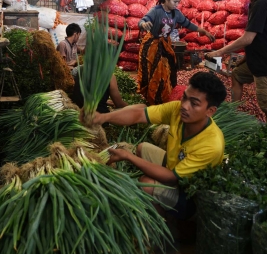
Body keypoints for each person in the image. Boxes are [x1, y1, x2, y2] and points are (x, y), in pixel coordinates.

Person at [88, 71, 227, 219]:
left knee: (146, 184)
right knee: (143, 148)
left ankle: (165, 228)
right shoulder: (176, 110)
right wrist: (103, 117)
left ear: (210, 111)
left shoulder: (211, 145)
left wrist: (129, 157)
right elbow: (139, 114)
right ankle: (158, 201)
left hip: (191, 196)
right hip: (175, 168)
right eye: (184, 97)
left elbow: (171, 178)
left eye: (194, 103)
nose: (185, 106)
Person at [206, 0, 267, 130]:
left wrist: (219, 52)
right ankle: (233, 113)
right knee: (237, 74)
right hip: (257, 59)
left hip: (266, 65)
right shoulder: (257, 3)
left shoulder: (261, 4)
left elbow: (248, 38)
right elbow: (260, 38)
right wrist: (246, 57)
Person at [138, 0, 215, 105]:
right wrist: (144, 24)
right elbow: (143, 20)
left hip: (165, 44)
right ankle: (151, 97)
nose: (176, 4)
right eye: (174, 1)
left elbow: (188, 24)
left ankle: (163, 95)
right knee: (153, 70)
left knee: (168, 68)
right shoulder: (156, 10)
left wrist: (204, 31)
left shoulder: (176, 14)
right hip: (152, 44)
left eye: (178, 2)